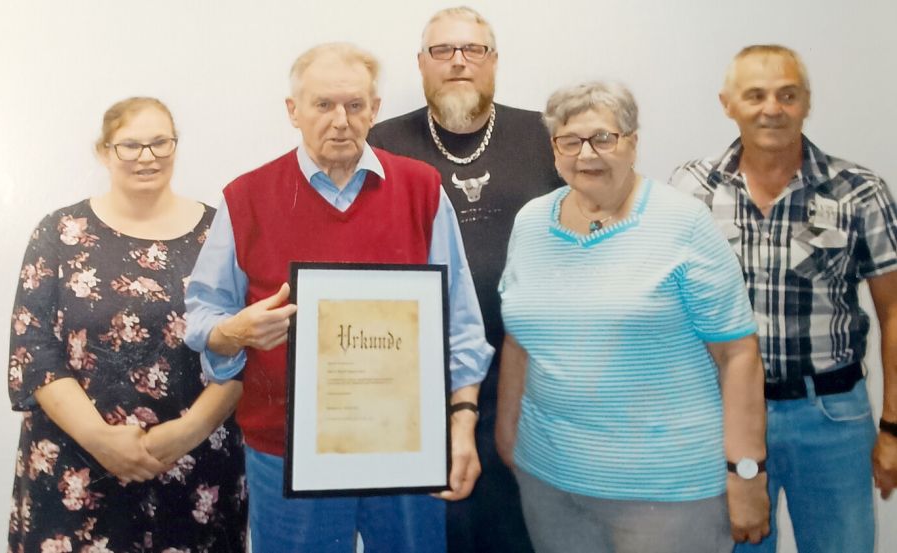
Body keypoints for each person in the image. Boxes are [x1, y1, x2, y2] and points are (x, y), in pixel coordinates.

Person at [183, 43, 493, 553]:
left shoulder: (422, 190)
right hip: (286, 452)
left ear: (374, 109)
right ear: (293, 111)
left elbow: (458, 320)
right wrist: (234, 332)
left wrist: (461, 421)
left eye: (354, 105)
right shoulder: (246, 198)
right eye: (323, 105)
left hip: (406, 449)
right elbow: (202, 315)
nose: (340, 120)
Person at [496, 81, 770, 553]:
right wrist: (508, 436)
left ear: (633, 143)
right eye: (571, 141)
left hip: (668, 494)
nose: (587, 154)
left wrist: (747, 474)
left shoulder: (683, 222)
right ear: (554, 149)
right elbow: (521, 339)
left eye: (604, 138)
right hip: (550, 480)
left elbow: (738, 353)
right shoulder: (531, 221)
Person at [670, 44, 897, 553]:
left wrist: (894, 429)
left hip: (833, 418)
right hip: (724, 420)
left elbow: (894, 312)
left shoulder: (858, 191)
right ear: (727, 103)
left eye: (787, 95)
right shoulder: (691, 189)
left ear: (807, 103)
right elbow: (671, 312)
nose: (772, 107)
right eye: (755, 94)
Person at [6, 97, 247, 552]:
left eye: (160, 143)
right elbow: (32, 352)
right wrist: (100, 439)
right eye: (130, 145)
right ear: (104, 151)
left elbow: (245, 346)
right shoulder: (58, 233)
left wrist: (189, 430)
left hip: (194, 466)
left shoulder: (220, 234)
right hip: (76, 466)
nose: (147, 157)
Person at [368, 8, 559, 551]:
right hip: (419, 384)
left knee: (518, 534)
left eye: (472, 50)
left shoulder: (544, 136)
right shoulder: (382, 144)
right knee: (435, 534)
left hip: (529, 378)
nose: (458, 61)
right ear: (421, 64)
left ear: (493, 62)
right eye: (442, 51)